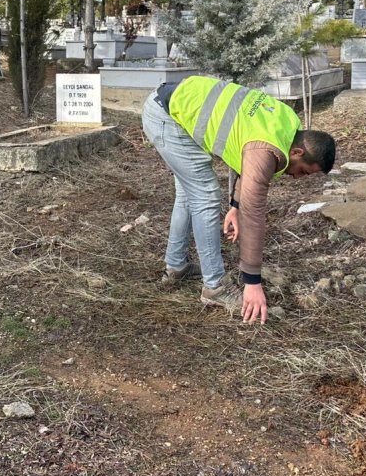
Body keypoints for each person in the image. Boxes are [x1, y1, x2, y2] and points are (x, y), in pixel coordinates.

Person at [141, 76, 335, 324]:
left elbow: (248, 158)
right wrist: (252, 282)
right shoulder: (267, 148)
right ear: (297, 153)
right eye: (303, 171)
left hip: (176, 101)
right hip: (166, 115)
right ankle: (215, 288)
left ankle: (176, 267)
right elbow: (254, 213)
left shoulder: (287, 124)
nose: (297, 178)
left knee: (189, 194)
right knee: (206, 196)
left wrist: (235, 206)